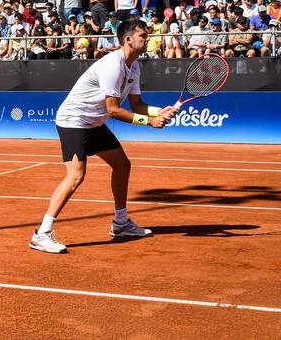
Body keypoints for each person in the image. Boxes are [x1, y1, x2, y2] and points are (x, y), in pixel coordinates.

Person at [29, 20, 176, 253]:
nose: (146, 39)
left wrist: (160, 111)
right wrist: (149, 122)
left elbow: (137, 105)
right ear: (128, 39)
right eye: (142, 36)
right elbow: (113, 110)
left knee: (122, 165)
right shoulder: (113, 65)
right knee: (76, 176)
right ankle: (42, 233)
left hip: (94, 122)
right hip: (74, 120)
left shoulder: (134, 66)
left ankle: (120, 223)